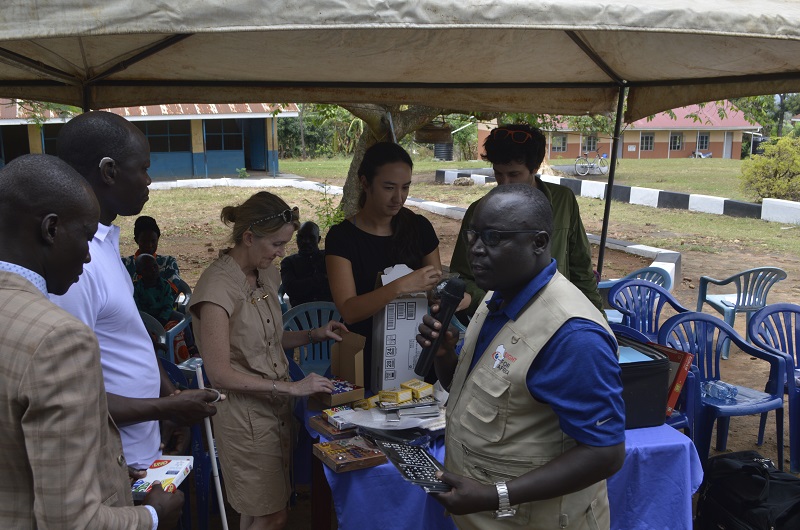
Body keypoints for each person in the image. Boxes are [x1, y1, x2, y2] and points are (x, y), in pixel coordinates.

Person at [418, 184, 625, 529]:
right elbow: (474, 394)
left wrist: (494, 495)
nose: (477, 250)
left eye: (495, 238)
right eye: (473, 235)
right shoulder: (495, 297)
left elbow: (604, 453)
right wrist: (443, 355)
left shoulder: (572, 335)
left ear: (539, 243)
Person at [0, 154, 183, 528]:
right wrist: (152, 514)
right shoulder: (57, 338)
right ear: (51, 229)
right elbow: (72, 521)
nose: (87, 255)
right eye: (85, 237)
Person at [50, 110, 220, 478]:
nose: (148, 180)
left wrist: (170, 397)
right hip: (111, 463)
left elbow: (130, 335)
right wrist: (164, 409)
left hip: (141, 447)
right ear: (109, 171)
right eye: (142, 168)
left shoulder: (106, 243)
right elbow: (72, 399)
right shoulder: (73, 265)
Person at [189, 191, 346, 529]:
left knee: (258, 510)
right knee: (273, 514)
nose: (281, 253)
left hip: (273, 411)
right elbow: (219, 375)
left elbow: (265, 343)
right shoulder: (216, 289)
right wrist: (291, 388)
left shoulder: (266, 275)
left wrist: (313, 334)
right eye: (276, 244)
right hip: (245, 418)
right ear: (248, 237)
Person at [450, 124, 604, 323]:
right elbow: (462, 276)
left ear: (535, 167)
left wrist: (598, 318)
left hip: (556, 317)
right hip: (500, 319)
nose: (504, 183)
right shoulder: (478, 211)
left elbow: (581, 268)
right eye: (498, 173)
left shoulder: (563, 201)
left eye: (514, 175)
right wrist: (487, 301)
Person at [326, 142, 444, 388]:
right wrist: (400, 286)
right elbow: (349, 310)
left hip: (417, 352)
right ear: (365, 183)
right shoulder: (342, 237)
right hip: (363, 359)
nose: (398, 198)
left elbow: (435, 287)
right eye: (389, 187)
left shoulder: (420, 228)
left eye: (406, 187)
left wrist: (448, 296)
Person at [280, 221, 333, 307]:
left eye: (311, 238)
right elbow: (292, 290)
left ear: (318, 239)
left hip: (333, 314)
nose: (306, 241)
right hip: (301, 316)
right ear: (296, 238)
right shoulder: (289, 262)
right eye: (301, 237)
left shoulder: (330, 258)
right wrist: (322, 278)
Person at [123, 215, 182, 283]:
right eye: (144, 241)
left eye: (153, 241)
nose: (149, 245)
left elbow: (172, 289)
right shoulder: (125, 264)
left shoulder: (168, 262)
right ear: (136, 240)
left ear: (158, 239)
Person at [134, 253, 180, 325]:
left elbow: (168, 305)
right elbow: (136, 308)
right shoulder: (136, 287)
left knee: (182, 319)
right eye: (147, 268)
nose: (153, 270)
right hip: (145, 320)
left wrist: (163, 319)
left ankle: (191, 336)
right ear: (139, 272)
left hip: (164, 317)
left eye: (155, 266)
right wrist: (148, 321)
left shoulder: (165, 285)